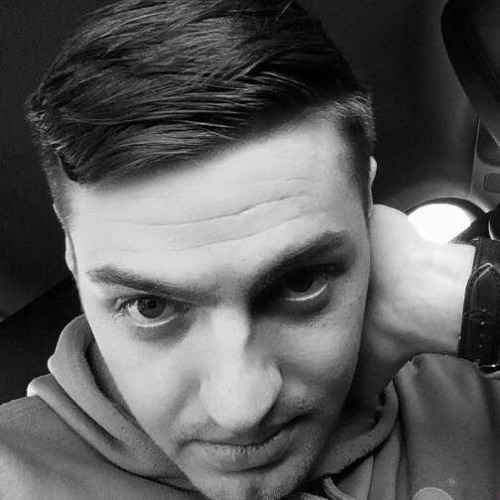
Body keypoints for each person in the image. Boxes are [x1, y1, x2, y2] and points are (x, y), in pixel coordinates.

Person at [0, 0, 497, 499]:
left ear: (366, 209)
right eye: (149, 306)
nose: (240, 411)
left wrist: (465, 295)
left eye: (302, 282)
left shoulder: (478, 394)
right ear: (73, 256)